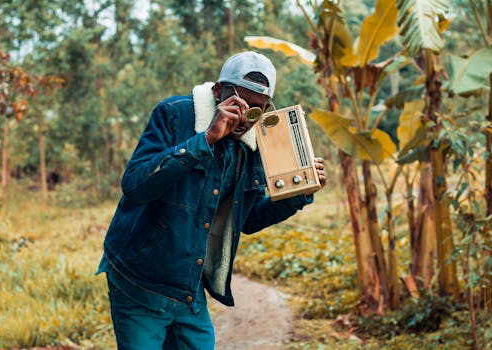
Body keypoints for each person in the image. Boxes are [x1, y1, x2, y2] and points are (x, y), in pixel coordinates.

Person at [96, 51, 326, 349]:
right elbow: (135, 185)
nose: (244, 119)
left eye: (255, 111)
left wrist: (299, 195)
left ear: (267, 109)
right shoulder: (174, 114)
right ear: (218, 91)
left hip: (189, 290)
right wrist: (204, 140)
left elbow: (250, 218)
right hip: (139, 282)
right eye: (237, 105)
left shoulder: (252, 145)